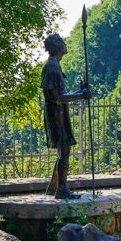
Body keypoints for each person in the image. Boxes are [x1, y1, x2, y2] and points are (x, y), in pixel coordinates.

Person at [41, 34, 92, 198]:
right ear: (57, 47)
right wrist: (81, 96)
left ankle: (54, 187)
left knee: (63, 150)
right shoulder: (52, 66)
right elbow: (57, 97)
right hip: (56, 114)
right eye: (62, 42)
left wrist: (80, 92)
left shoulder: (54, 65)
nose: (65, 44)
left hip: (59, 112)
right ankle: (61, 190)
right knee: (65, 149)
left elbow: (61, 94)